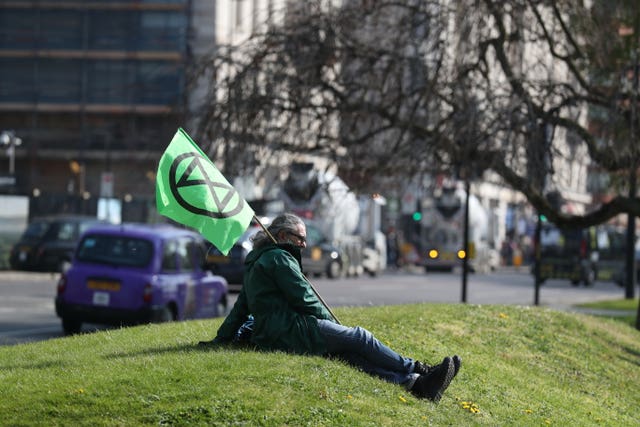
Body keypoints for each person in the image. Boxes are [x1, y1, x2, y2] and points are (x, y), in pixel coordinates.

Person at [199, 213, 461, 402]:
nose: (304, 243)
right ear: (281, 236)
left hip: (274, 334)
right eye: (300, 238)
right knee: (359, 337)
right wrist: (335, 327)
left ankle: (417, 386)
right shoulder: (278, 257)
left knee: (348, 355)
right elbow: (305, 299)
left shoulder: (256, 262)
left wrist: (220, 340)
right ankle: (418, 368)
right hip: (292, 330)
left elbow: (240, 309)